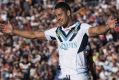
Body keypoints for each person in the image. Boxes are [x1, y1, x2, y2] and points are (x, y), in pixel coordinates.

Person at [0, 2, 116, 80]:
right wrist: (14, 31)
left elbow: (95, 30)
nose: (58, 18)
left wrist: (107, 27)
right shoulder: (57, 32)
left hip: (79, 76)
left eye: (60, 14)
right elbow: (34, 34)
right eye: (56, 16)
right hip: (62, 76)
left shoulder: (81, 28)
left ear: (68, 13)